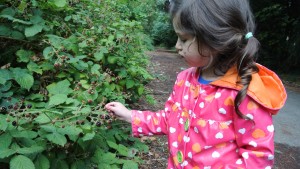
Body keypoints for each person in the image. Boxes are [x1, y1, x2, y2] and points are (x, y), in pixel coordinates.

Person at [105, 0, 287, 168]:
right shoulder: (184, 79)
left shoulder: (244, 91)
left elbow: (258, 157)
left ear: (214, 38)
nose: (177, 46)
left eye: (183, 39)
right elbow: (170, 120)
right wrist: (131, 116)